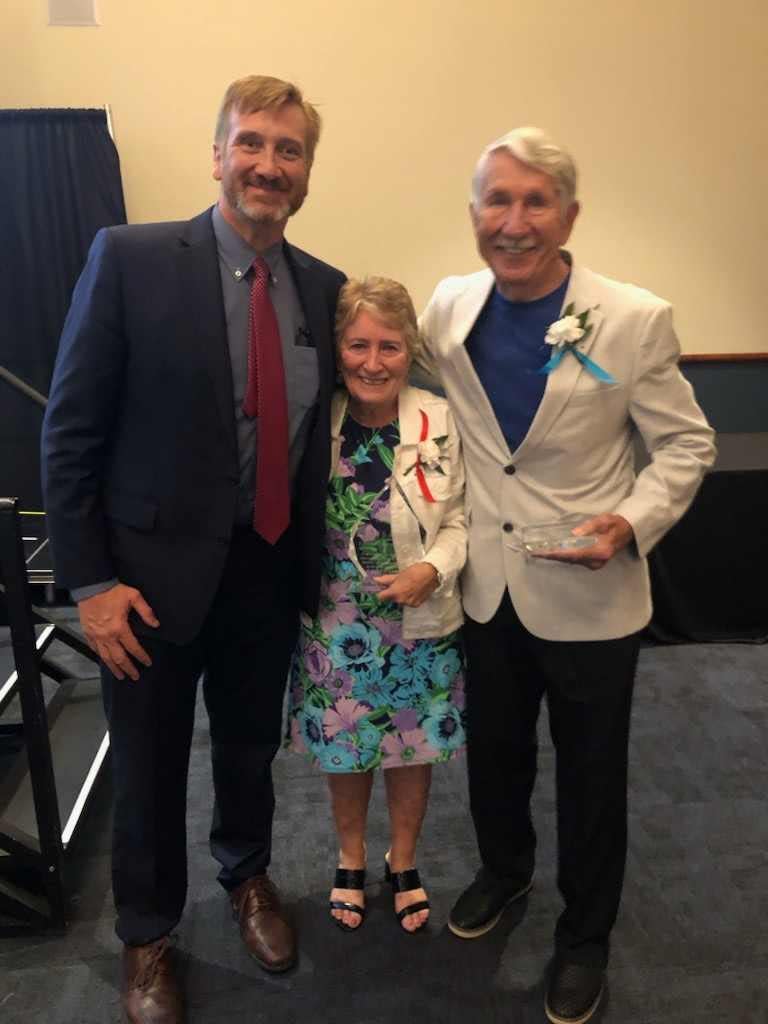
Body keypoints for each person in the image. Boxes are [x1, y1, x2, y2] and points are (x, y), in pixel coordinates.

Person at [41, 75, 345, 1024]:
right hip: (146, 585)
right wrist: (90, 582)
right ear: (218, 155)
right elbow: (72, 432)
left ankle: (248, 876)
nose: (267, 164)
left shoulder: (324, 290)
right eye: (250, 143)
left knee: (251, 751)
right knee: (149, 764)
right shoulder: (130, 259)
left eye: (288, 150)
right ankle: (147, 936)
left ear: (306, 173)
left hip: (266, 569)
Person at [416, 128, 715, 1024]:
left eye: (535, 201)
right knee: (494, 761)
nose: (514, 222)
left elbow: (686, 445)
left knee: (592, 780)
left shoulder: (632, 317)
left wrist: (628, 522)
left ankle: (585, 937)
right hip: (487, 589)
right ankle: (505, 875)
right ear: (473, 215)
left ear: (569, 214)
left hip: (591, 592)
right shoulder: (447, 306)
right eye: (496, 202)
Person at [286, 276, 467, 934]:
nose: (372, 362)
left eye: (389, 346)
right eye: (357, 344)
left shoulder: (440, 418)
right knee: (349, 745)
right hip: (337, 620)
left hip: (420, 619)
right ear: (338, 349)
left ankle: (406, 860)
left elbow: (462, 519)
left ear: (410, 349)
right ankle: (351, 857)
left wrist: (431, 567)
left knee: (410, 747)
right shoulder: (318, 418)